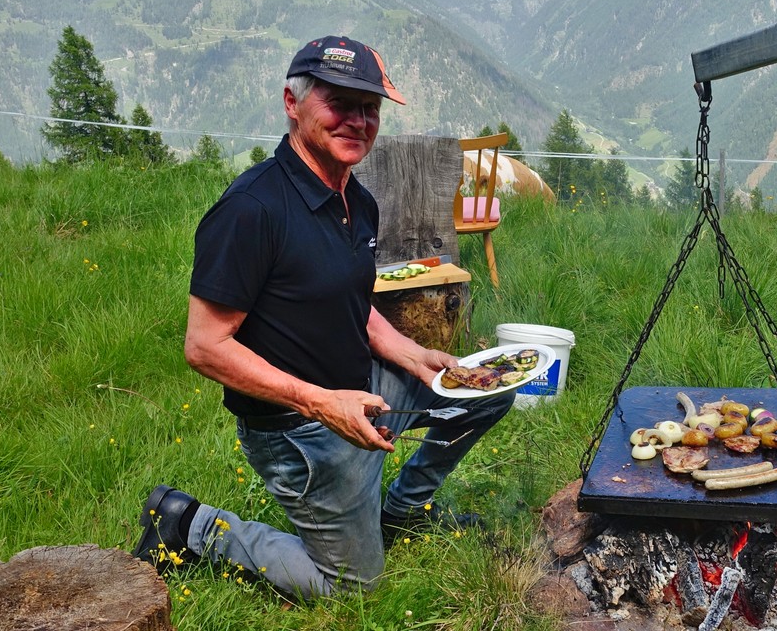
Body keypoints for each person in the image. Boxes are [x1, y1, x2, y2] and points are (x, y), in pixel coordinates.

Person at [131, 35, 514, 598]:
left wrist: (414, 354)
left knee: (491, 388)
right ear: (293, 102)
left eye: (370, 109)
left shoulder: (357, 201)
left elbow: (350, 304)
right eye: (340, 103)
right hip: (299, 430)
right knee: (353, 588)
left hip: (365, 387)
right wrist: (320, 401)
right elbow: (205, 346)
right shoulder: (252, 209)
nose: (358, 121)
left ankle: (404, 509)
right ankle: (188, 525)